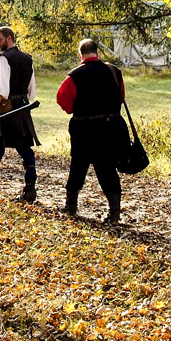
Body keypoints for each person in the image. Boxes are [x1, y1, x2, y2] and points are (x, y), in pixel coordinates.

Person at [55, 39, 125, 223]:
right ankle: (114, 213)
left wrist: (74, 109)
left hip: (84, 129)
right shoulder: (114, 71)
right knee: (108, 169)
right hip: (110, 128)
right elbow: (121, 97)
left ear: (80, 55)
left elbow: (63, 99)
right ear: (97, 53)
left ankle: (71, 207)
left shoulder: (74, 76)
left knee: (78, 167)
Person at [0, 26, 39, 201]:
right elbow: (31, 90)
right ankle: (30, 187)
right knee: (22, 146)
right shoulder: (27, 59)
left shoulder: (4, 58)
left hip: (7, 107)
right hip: (22, 106)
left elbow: (1, 90)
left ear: (9, 38)